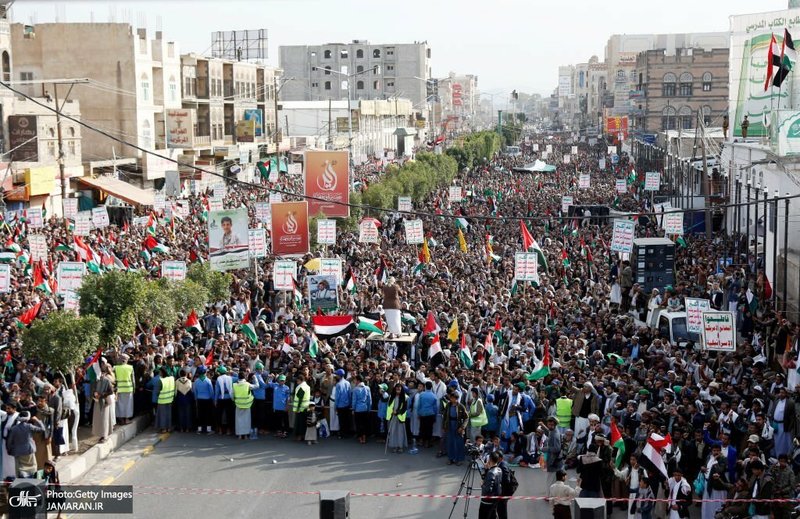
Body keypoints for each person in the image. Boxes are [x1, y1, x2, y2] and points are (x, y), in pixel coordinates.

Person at [6, 411, 46, 478]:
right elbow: (43, 429)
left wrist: (9, 450)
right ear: (28, 418)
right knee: (32, 467)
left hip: (18, 452)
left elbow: (9, 442)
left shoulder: (13, 429)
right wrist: (37, 420)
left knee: (19, 469)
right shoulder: (29, 426)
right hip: (29, 450)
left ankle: (21, 483)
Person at [443, 391, 468, 465]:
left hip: (458, 427)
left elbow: (466, 418)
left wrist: (462, 427)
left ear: (457, 399)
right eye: (451, 398)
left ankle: (459, 459)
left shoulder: (461, 406)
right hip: (450, 425)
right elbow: (444, 416)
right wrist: (444, 426)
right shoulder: (448, 405)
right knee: (450, 442)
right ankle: (451, 458)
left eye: (454, 398)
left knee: (459, 443)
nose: (452, 399)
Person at [92, 362, 116, 442]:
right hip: (97, 402)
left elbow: (111, 391)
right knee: (98, 420)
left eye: (102, 373)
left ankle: (104, 436)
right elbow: (94, 390)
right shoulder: (97, 381)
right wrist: (95, 394)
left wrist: (101, 395)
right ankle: (101, 435)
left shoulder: (106, 380)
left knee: (104, 420)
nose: (101, 374)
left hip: (104, 403)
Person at [232, 371, 258, 440]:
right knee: (246, 420)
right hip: (247, 404)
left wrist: (235, 400)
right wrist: (255, 378)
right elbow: (257, 386)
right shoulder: (247, 384)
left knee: (238, 420)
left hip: (238, 404)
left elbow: (232, 395)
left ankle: (240, 435)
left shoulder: (234, 385)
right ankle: (246, 435)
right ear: (245, 377)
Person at [479, 451, 503, 519]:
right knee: (493, 515)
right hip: (495, 499)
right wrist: (487, 469)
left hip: (487, 501)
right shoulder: (499, 469)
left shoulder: (491, 473)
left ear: (490, 459)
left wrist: (482, 485)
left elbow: (488, 489)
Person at [541, 416, 564, 488]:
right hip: (553, 459)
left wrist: (546, 449)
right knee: (552, 480)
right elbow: (549, 431)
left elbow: (557, 448)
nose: (550, 426)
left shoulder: (555, 435)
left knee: (550, 480)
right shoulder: (552, 430)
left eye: (552, 425)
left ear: (555, 425)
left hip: (554, 461)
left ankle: (549, 496)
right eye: (549, 424)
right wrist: (543, 426)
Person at [386, 382, 408, 453]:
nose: (398, 389)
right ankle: (395, 446)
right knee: (393, 432)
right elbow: (389, 406)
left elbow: (404, 408)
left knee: (400, 432)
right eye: (397, 388)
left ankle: (400, 446)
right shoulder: (391, 397)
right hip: (393, 417)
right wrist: (392, 412)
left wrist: (397, 412)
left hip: (400, 418)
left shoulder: (405, 397)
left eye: (399, 388)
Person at [192, 365, 215, 435]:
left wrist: (196, 399)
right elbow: (211, 392)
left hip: (199, 399)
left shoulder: (196, 381)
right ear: (205, 373)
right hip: (207, 400)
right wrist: (213, 399)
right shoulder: (208, 381)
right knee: (208, 414)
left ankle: (199, 429)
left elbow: (194, 391)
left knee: (200, 414)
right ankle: (208, 430)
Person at [114, 354, 135, 425]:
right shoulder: (130, 367)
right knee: (128, 405)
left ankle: (121, 419)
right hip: (128, 389)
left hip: (119, 389)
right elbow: (133, 380)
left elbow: (114, 379)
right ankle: (126, 419)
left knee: (119, 405)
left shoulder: (115, 367)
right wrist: (134, 389)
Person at [332, 369, 352, 439]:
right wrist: (349, 403)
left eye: (337, 374)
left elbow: (337, 397)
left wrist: (335, 406)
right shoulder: (348, 383)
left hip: (340, 405)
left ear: (339, 375)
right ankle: (347, 433)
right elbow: (349, 394)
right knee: (346, 420)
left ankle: (342, 434)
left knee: (341, 420)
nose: (336, 376)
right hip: (347, 405)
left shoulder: (338, 384)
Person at [154, 367, 175, 434]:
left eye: (160, 372)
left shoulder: (160, 380)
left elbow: (157, 392)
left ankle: (163, 429)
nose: (159, 373)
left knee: (162, 415)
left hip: (162, 400)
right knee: (168, 414)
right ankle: (168, 428)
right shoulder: (172, 378)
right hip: (170, 399)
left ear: (162, 372)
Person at [352, 374, 372, 445]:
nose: (354, 381)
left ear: (358, 380)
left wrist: (353, 409)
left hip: (357, 409)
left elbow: (354, 401)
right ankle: (364, 437)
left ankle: (360, 438)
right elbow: (369, 400)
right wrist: (369, 409)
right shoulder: (367, 388)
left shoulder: (355, 389)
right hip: (365, 408)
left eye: (355, 380)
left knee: (358, 424)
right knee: (364, 424)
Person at [292, 374, 311, 441]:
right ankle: (304, 436)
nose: (297, 382)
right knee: (304, 423)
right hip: (306, 407)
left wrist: (297, 409)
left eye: (297, 381)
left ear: (300, 380)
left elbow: (299, 399)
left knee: (299, 423)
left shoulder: (300, 387)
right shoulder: (307, 387)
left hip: (300, 408)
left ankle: (299, 437)